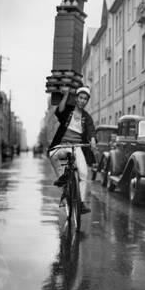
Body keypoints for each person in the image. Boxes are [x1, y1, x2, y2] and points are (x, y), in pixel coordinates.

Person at [48, 86, 97, 214]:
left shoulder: (86, 117)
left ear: (87, 101)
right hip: (63, 145)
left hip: (77, 147)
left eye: (85, 99)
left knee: (84, 173)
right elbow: (60, 111)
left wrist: (92, 139)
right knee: (52, 155)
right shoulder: (68, 111)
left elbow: (91, 129)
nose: (82, 101)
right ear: (76, 98)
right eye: (80, 97)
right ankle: (63, 179)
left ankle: (80, 204)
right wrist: (65, 95)